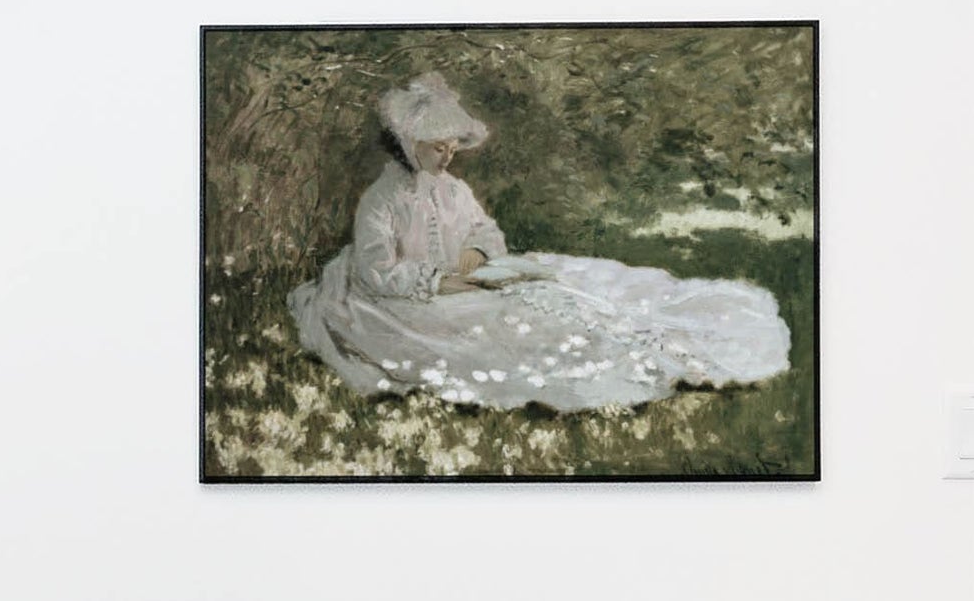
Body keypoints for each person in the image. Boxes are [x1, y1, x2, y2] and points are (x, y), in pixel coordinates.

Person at [287, 74, 791, 411]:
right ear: (408, 145)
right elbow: (379, 273)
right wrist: (442, 280)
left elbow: (484, 228)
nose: (447, 157)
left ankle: (652, 336)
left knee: (568, 286)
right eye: (436, 148)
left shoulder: (453, 189)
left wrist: (478, 253)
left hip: (467, 278)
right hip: (405, 302)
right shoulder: (381, 200)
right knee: (514, 330)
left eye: (450, 148)